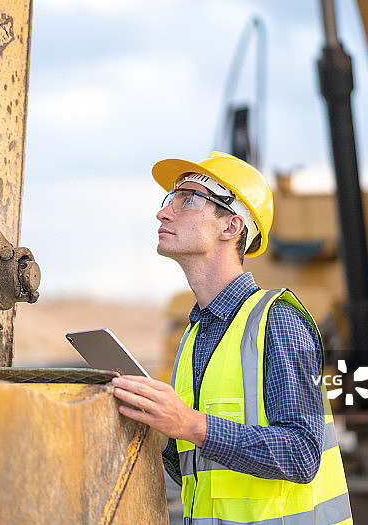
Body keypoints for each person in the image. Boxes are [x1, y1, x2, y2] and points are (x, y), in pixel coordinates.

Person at [111, 152, 352, 524]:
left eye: (187, 198)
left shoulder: (277, 321)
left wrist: (190, 424)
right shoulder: (195, 334)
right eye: (168, 200)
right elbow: (200, 471)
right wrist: (158, 428)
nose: (164, 212)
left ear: (231, 227)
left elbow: (302, 455)